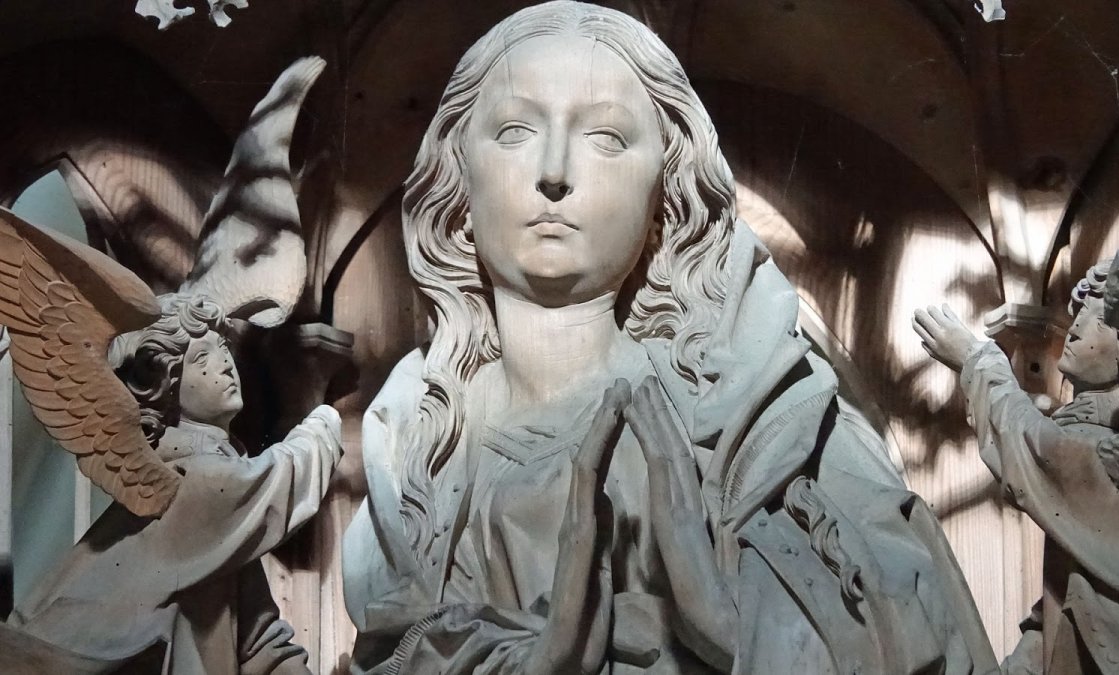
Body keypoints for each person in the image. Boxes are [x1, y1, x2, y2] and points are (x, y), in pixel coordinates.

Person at [345, 2, 996, 673]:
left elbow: (908, 634)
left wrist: (715, 612)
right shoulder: (413, 445)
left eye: (605, 137)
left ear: (665, 197)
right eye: (514, 130)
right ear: (456, 182)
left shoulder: (761, 415)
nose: (554, 171)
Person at [6, 293, 343, 674]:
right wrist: (322, 427)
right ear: (165, 384)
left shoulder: (224, 519)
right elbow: (274, 482)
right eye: (201, 358)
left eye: (224, 349)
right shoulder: (184, 479)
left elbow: (257, 640)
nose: (225, 365)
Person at [914, 263, 1119, 673]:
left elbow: (1037, 452)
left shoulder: (1118, 446)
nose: (1076, 328)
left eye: (1098, 320)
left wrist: (978, 360)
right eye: (1078, 313)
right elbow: (1070, 604)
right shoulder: (1088, 436)